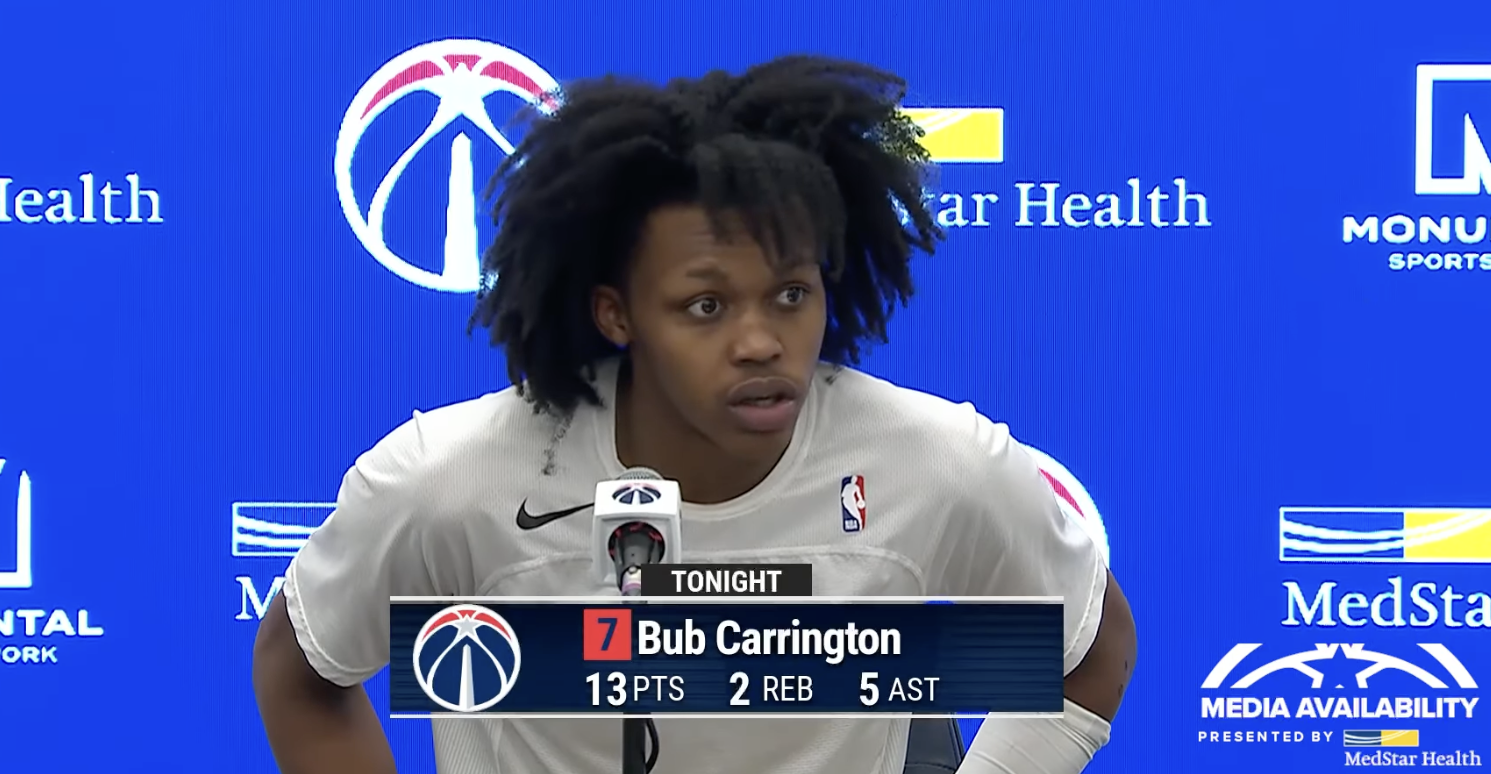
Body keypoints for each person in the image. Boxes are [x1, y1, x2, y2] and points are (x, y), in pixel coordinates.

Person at [252, 55, 1137, 774]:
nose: (761, 342)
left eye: (791, 294)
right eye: (706, 306)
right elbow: (303, 664)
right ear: (617, 314)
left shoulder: (932, 465)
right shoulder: (456, 480)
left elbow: (1094, 644)